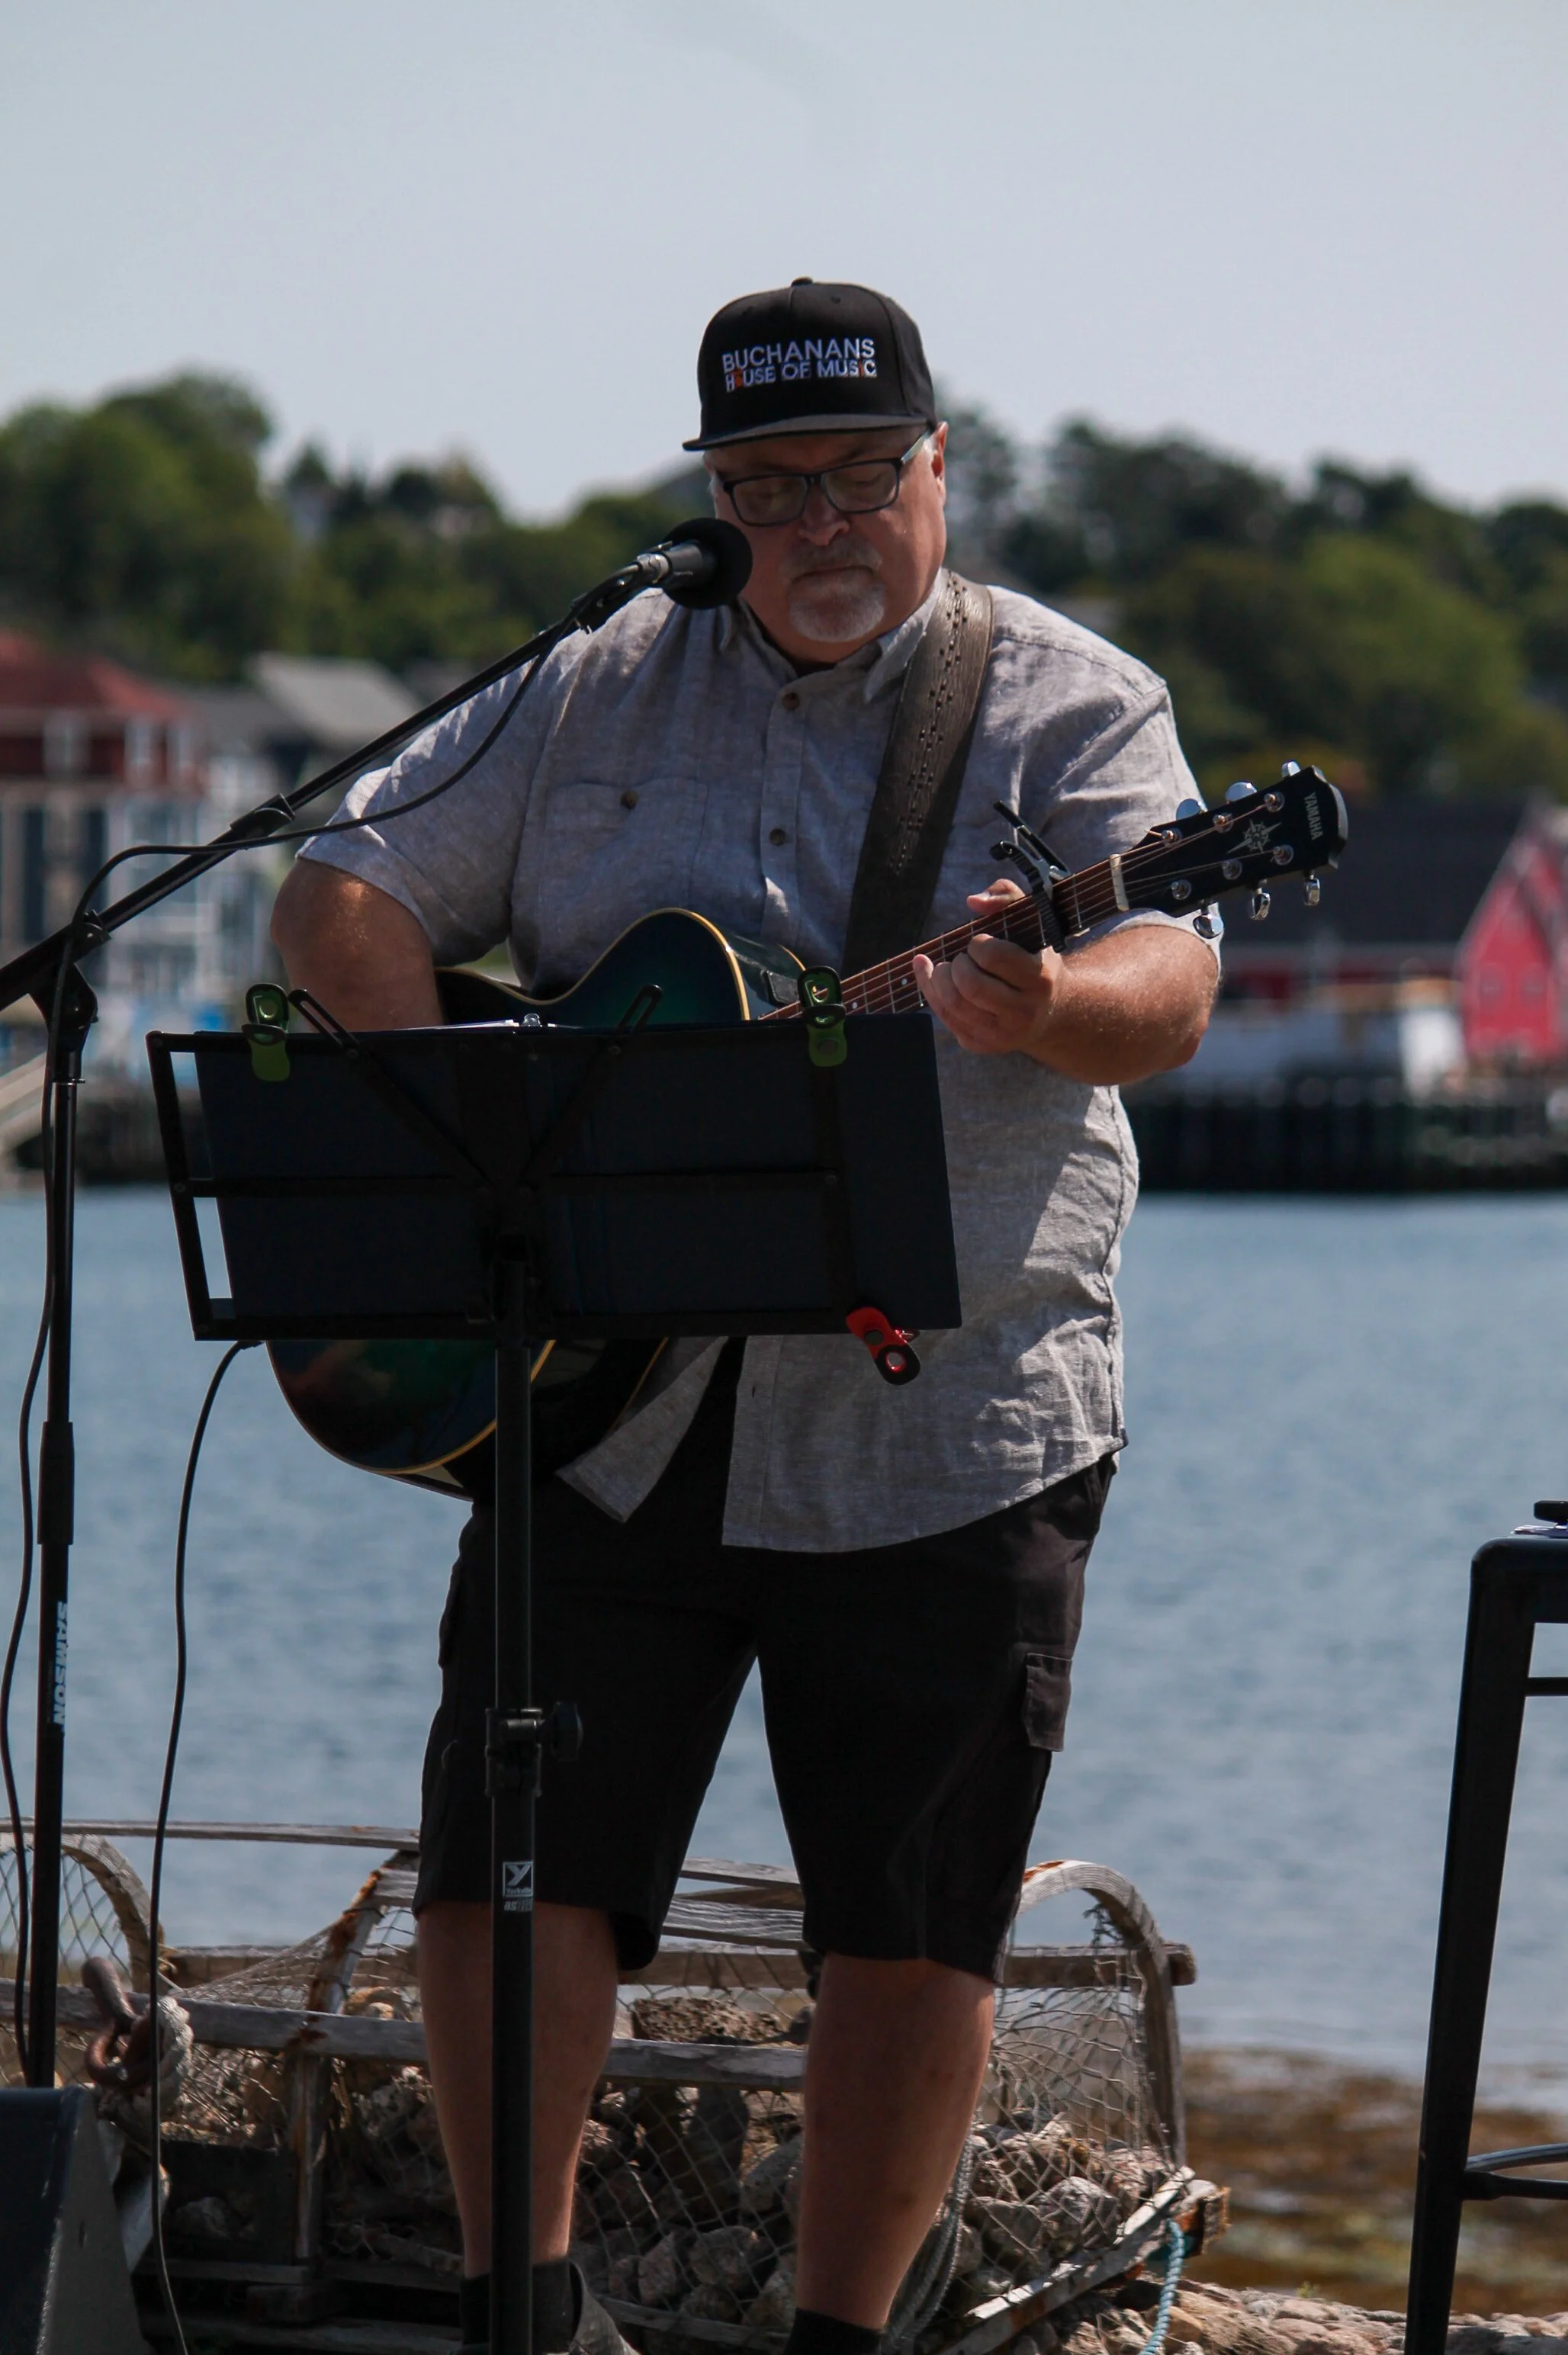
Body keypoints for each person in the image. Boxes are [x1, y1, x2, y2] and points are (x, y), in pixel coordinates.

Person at [272, 278, 1219, 2355]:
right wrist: (448, 1151)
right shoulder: (592, 685)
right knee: (508, 1869)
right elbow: (341, 885)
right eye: (766, 487)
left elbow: (1170, 976)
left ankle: (843, 2338)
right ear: (709, 499)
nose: (818, 523)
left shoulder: (1071, 705)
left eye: (858, 477)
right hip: (610, 1405)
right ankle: (525, 2310)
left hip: (953, 1414)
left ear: (935, 468)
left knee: (914, 1918)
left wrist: (1045, 1001)